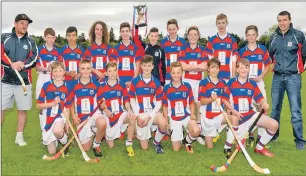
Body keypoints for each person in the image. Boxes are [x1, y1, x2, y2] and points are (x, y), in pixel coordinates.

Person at [223, 58, 278, 158]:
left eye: (246, 67)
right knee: (241, 149)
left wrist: (264, 103)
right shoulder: (231, 82)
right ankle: (230, 142)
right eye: (241, 68)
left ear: (249, 69)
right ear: (237, 70)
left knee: (274, 125)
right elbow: (224, 100)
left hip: (251, 115)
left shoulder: (252, 84)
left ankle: (259, 148)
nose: (243, 70)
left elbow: (259, 99)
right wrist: (233, 110)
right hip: (238, 118)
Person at [269, 11, 306, 150]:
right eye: (279, 20)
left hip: (293, 77)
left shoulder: (299, 35)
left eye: (285, 20)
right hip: (277, 77)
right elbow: (270, 56)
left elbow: (304, 55)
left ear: (290, 20)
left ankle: (300, 141)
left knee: (295, 111)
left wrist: (298, 70)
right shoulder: (273, 37)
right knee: (275, 110)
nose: (282, 23)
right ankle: (273, 135)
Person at [1, 14, 38, 146]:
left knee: (22, 110)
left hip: (24, 82)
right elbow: (1, 55)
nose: (24, 26)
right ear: (15, 24)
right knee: (1, 109)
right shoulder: (4, 38)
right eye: (22, 23)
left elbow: (34, 58)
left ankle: (19, 137)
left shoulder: (31, 41)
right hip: (5, 80)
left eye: (26, 24)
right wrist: (11, 64)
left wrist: (23, 64)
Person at [206, 13, 239, 142]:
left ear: (226, 23)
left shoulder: (232, 40)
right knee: (216, 102)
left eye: (223, 23)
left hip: (227, 77)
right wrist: (212, 76)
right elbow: (210, 60)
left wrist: (232, 78)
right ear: (216, 24)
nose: (221, 25)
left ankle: (227, 129)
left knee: (227, 102)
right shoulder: (212, 40)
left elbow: (233, 60)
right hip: (215, 78)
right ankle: (215, 129)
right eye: (219, 23)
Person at [239, 25, 272, 147]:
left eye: (253, 34)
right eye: (248, 35)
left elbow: (268, 65)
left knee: (263, 109)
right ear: (246, 36)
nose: (251, 37)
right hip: (246, 85)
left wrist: (261, 76)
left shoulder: (262, 49)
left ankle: (260, 137)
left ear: (256, 35)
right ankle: (250, 135)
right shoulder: (242, 51)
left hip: (258, 83)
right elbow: (239, 67)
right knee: (247, 110)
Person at [129, 55, 168, 154]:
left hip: (152, 112)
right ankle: (140, 132)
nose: (147, 68)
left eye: (149, 65)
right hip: (141, 114)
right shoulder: (135, 81)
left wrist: (150, 116)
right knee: (144, 148)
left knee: (163, 123)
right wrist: (137, 115)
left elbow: (159, 103)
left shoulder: (156, 82)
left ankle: (156, 142)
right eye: (145, 65)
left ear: (152, 67)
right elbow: (132, 99)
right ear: (141, 66)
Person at [68, 60, 107, 157]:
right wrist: (73, 116)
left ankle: (96, 144)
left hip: (94, 114)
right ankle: (92, 132)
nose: (85, 71)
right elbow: (71, 102)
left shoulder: (96, 84)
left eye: (88, 68)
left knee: (102, 123)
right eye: (83, 68)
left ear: (91, 70)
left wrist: (103, 104)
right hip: (81, 117)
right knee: (86, 148)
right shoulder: (73, 84)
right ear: (79, 70)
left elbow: (101, 101)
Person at [198, 58, 239, 149]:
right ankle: (209, 135)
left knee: (234, 118)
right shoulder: (203, 82)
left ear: (219, 69)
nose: (215, 70)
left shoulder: (223, 83)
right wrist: (210, 99)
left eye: (217, 68)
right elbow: (202, 101)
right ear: (208, 69)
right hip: (208, 117)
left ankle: (231, 144)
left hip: (219, 115)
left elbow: (225, 99)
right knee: (209, 147)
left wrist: (228, 109)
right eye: (212, 67)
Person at [178, 26, 208, 145]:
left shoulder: (202, 50)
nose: (193, 37)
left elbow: (205, 66)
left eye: (195, 34)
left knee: (199, 105)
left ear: (198, 36)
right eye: (191, 34)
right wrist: (197, 66)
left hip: (198, 82)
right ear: (188, 36)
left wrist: (190, 66)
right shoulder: (183, 49)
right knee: (186, 105)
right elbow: (182, 66)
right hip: (186, 80)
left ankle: (199, 130)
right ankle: (185, 129)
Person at [99, 61, 137, 156]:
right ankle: (104, 134)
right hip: (108, 115)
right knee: (111, 145)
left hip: (120, 114)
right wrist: (106, 110)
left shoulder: (121, 85)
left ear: (117, 71)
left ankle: (129, 143)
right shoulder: (102, 86)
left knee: (132, 118)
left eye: (114, 70)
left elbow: (126, 101)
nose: (112, 73)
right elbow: (101, 103)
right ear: (106, 73)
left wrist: (129, 110)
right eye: (110, 71)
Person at [163, 62, 200, 153]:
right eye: (173, 73)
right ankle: (181, 137)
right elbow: (164, 106)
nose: (176, 75)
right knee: (176, 149)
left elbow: (191, 102)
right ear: (170, 74)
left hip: (186, 116)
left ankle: (186, 141)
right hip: (174, 119)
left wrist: (192, 114)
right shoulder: (167, 88)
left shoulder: (187, 86)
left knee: (196, 131)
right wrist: (166, 121)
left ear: (182, 73)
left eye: (178, 72)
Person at [36, 61, 70, 155]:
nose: (58, 74)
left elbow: (67, 107)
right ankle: (57, 138)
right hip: (47, 116)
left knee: (57, 131)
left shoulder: (67, 87)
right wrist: (53, 103)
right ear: (52, 73)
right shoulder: (46, 85)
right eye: (55, 71)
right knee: (52, 152)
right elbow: (38, 105)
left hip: (59, 115)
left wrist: (67, 125)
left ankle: (65, 143)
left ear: (64, 72)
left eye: (60, 71)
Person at [35, 28, 61, 131]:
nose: (51, 40)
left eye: (53, 37)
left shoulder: (57, 52)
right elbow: (36, 67)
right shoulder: (39, 50)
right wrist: (46, 69)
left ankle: (54, 130)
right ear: (45, 37)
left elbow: (60, 67)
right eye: (48, 37)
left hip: (54, 81)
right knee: (42, 107)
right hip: (43, 78)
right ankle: (44, 131)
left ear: (55, 38)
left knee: (54, 105)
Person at [110, 22, 144, 88]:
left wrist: (133, 81)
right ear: (120, 33)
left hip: (132, 81)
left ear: (130, 32)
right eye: (123, 31)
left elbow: (138, 66)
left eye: (126, 31)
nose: (125, 33)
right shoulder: (116, 48)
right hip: (119, 81)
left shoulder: (135, 48)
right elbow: (114, 66)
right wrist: (118, 80)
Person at [133, 19, 166, 87]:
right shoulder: (144, 47)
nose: (154, 38)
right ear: (148, 36)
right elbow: (136, 38)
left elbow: (163, 67)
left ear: (158, 37)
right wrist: (136, 25)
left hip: (157, 80)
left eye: (156, 36)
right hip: (145, 79)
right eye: (152, 35)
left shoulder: (161, 50)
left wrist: (162, 83)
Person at [160, 19, 187, 85]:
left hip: (180, 77)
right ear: (167, 29)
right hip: (167, 77)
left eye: (174, 29)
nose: (172, 31)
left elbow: (185, 60)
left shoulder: (183, 42)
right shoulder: (163, 42)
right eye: (170, 29)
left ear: (178, 28)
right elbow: (161, 61)